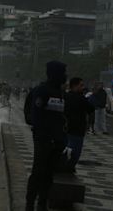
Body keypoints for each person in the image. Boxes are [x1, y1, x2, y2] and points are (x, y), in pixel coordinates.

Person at [26, 60, 68, 211]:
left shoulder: (61, 93)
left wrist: (63, 138)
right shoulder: (42, 91)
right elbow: (36, 118)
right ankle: (29, 204)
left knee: (49, 175)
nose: (65, 76)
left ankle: (42, 204)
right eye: (62, 73)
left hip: (57, 142)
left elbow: (61, 117)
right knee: (38, 172)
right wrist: (46, 136)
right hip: (43, 140)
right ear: (54, 74)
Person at [64, 78, 94, 172]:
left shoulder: (65, 96)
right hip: (77, 129)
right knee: (75, 151)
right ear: (74, 86)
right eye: (81, 85)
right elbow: (91, 109)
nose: (83, 87)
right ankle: (70, 167)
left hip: (67, 128)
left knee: (67, 148)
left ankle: (65, 165)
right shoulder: (81, 98)